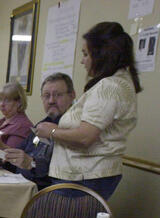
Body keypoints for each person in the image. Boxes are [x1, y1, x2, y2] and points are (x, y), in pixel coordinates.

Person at [34, 22, 141, 200]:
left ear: (101, 55)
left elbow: (85, 137)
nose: (82, 60)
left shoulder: (109, 87)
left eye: (85, 54)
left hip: (84, 177)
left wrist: (51, 131)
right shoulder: (118, 83)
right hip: (82, 176)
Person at [0, 73, 76, 190]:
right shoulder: (41, 125)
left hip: (47, 193)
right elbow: (27, 150)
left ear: (72, 96)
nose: (51, 100)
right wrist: (6, 159)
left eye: (58, 95)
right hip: (21, 185)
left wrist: (31, 163)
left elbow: (58, 168)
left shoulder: (75, 129)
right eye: (46, 95)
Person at [0, 82, 33, 162]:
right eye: (0, 100)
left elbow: (11, 157)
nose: (2, 104)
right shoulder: (2, 121)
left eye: (7, 100)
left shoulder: (22, 126)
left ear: (19, 102)